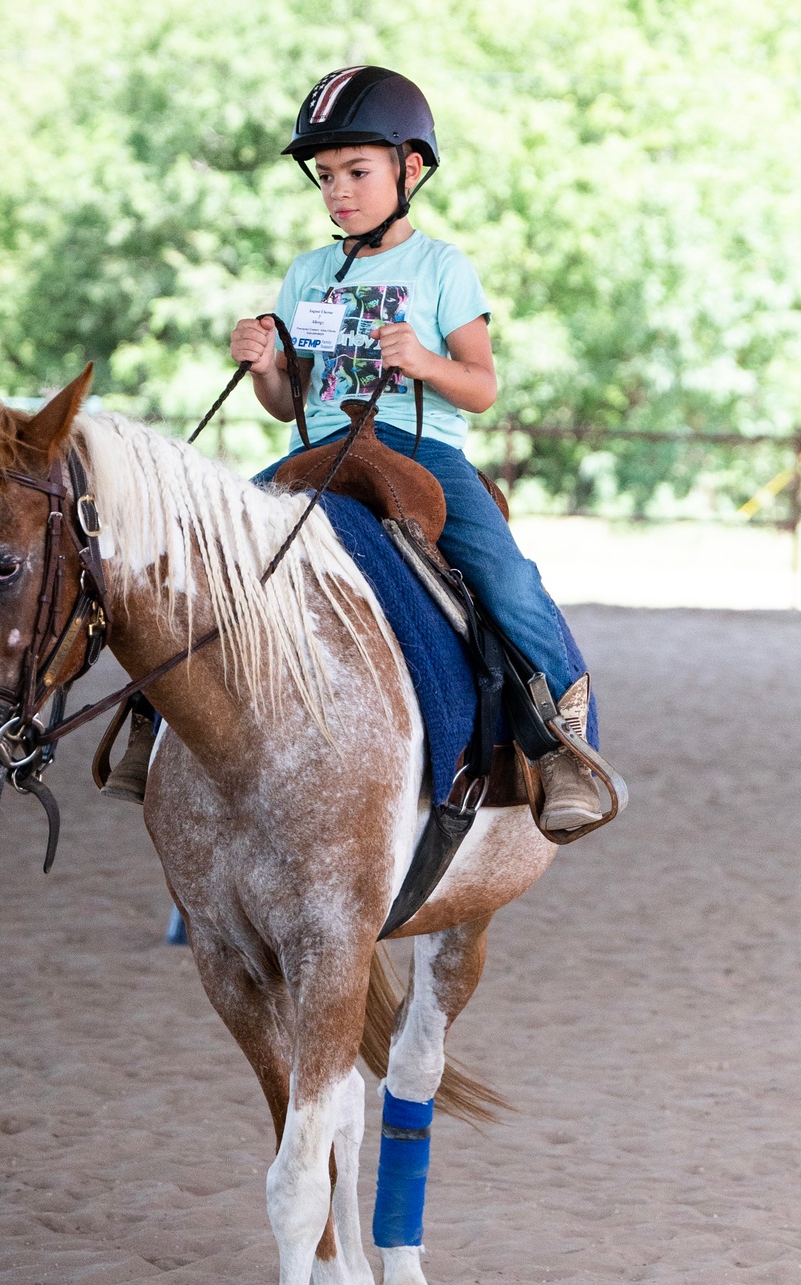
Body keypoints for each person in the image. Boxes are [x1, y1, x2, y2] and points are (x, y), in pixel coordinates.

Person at [105, 66, 600, 833]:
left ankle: (561, 742)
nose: (338, 191)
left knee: (503, 571)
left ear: (409, 170)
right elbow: (289, 406)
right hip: (326, 447)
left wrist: (427, 361)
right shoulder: (308, 273)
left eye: (357, 172)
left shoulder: (442, 267)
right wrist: (268, 365)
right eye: (326, 176)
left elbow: (482, 385)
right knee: (203, 543)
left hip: (421, 449)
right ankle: (151, 713)